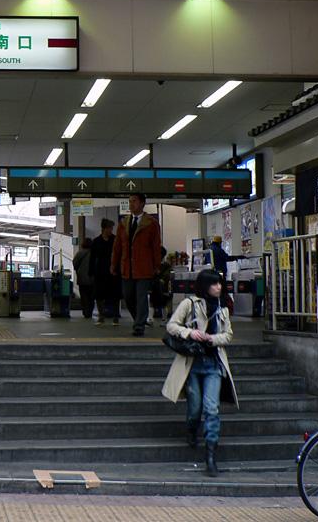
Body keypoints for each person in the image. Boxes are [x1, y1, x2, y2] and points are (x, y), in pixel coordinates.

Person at [162, 268, 239, 478]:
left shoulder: (223, 309)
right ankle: (191, 429)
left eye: (220, 283)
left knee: (212, 408)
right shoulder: (190, 304)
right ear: (205, 285)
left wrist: (212, 339)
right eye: (214, 284)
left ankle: (210, 455)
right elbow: (171, 326)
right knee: (195, 407)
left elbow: (228, 335)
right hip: (192, 364)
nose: (219, 287)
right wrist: (190, 333)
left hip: (214, 364)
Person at [111, 193, 162, 337]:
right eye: (129, 201)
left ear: (142, 203)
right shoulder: (124, 223)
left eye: (134, 201)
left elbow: (156, 246)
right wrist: (114, 264)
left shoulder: (151, 224)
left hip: (144, 267)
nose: (131, 204)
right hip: (127, 267)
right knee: (128, 297)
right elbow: (117, 247)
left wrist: (156, 265)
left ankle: (139, 325)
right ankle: (139, 319)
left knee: (141, 297)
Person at [90, 218, 121, 326]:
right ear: (103, 228)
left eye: (111, 228)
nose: (111, 230)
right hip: (100, 271)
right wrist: (91, 272)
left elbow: (120, 255)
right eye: (109, 228)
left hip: (113, 271)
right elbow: (92, 258)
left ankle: (116, 316)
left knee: (115, 295)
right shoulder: (96, 242)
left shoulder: (115, 240)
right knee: (99, 295)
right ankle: (101, 316)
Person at [73, 238, 95, 319]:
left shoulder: (79, 253)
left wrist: (78, 270)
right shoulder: (94, 253)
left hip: (82, 278)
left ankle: (85, 312)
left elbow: (74, 263)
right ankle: (90, 312)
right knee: (91, 297)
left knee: (84, 296)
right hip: (92, 278)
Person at [150, 247, 172, 321]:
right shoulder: (166, 265)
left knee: (155, 303)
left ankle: (152, 319)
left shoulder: (156, 265)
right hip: (160, 287)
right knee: (161, 303)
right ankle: (162, 319)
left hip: (159, 287)